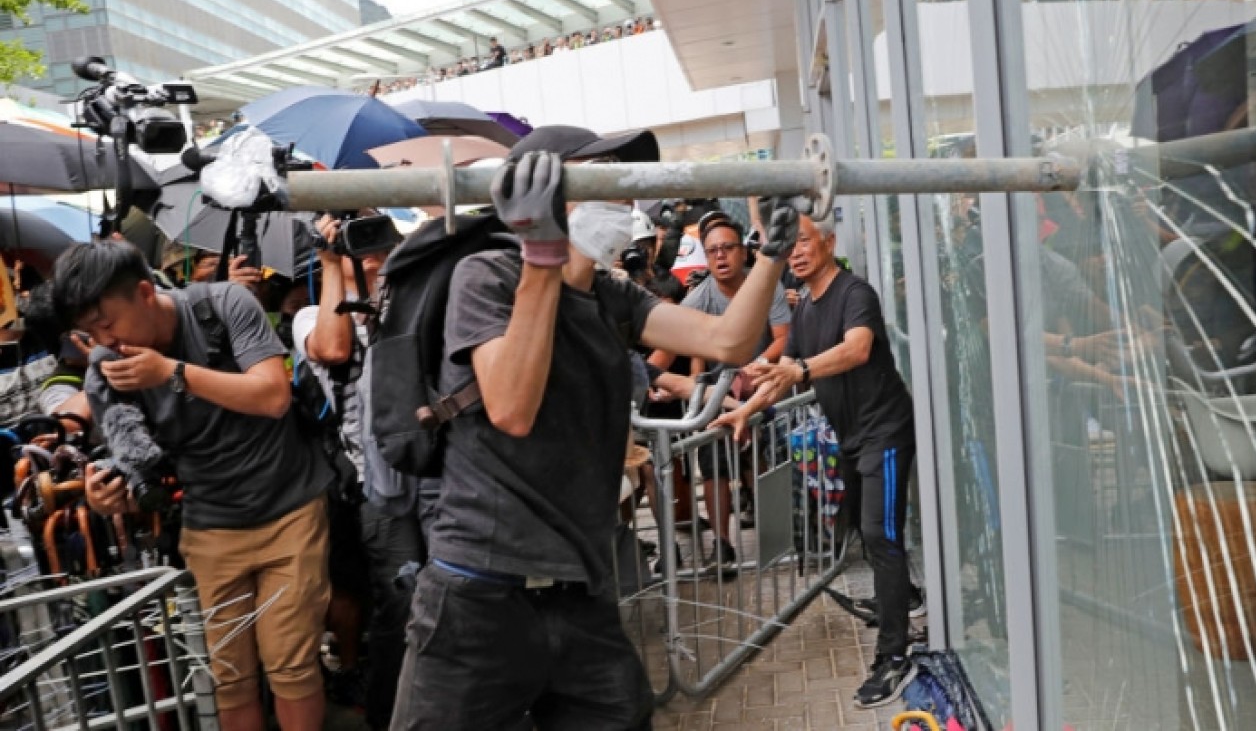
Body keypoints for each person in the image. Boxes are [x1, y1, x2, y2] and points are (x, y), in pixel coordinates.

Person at [391, 126, 801, 730]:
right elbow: (509, 407)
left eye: (623, 181)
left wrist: (772, 253)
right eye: (602, 176)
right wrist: (541, 257)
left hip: (578, 589)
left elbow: (728, 340)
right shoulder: (488, 275)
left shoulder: (614, 297)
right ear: (548, 194)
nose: (623, 200)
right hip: (477, 592)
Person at [63, 241, 331, 731]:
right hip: (209, 529)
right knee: (229, 677)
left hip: (289, 511)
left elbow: (272, 395)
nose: (104, 340)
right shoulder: (110, 366)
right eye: (90, 331)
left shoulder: (223, 304)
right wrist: (108, 494)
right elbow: (134, 459)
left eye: (107, 323)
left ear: (145, 292)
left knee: (291, 667)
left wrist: (171, 372)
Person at [711, 210, 918, 708]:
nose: (796, 252)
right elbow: (783, 370)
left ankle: (895, 653)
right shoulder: (803, 305)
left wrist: (801, 369)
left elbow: (858, 348)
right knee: (864, 529)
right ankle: (902, 597)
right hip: (849, 436)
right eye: (790, 246)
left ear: (827, 242)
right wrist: (747, 411)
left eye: (804, 241)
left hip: (884, 432)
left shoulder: (854, 293)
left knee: (879, 534)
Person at [293, 212, 418, 731]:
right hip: (378, 489)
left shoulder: (410, 303)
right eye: (357, 247)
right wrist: (333, 266)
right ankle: (390, 716)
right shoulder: (311, 316)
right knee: (401, 604)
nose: (370, 257)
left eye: (379, 247)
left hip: (436, 478)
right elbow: (334, 348)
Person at [651, 209, 791, 567]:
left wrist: (754, 368)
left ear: (743, 252)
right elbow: (669, 343)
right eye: (712, 250)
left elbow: (783, 340)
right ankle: (723, 545)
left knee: (766, 459)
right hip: (719, 398)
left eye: (727, 248)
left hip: (763, 391)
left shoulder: (765, 287)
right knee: (713, 466)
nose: (720, 256)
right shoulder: (699, 297)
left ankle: (779, 535)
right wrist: (643, 376)